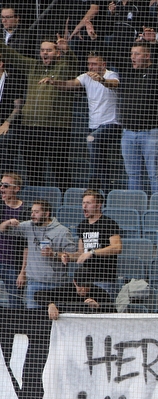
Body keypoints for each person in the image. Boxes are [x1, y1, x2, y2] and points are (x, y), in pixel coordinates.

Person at [0, 35, 78, 190]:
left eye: (49, 50)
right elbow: (12, 55)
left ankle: (64, 201)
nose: (45, 53)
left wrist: (67, 51)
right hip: (30, 127)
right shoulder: (33, 66)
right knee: (33, 169)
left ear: (57, 52)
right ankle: (37, 205)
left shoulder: (64, 67)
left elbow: (75, 64)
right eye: (42, 50)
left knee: (60, 168)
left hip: (56, 128)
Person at [38, 51, 121, 191]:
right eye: (89, 64)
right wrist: (53, 81)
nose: (91, 67)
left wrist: (102, 80)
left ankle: (97, 183)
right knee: (98, 155)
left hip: (111, 124)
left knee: (93, 140)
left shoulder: (110, 74)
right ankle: (100, 184)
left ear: (103, 64)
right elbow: (69, 84)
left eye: (94, 64)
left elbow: (114, 84)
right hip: (93, 124)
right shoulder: (86, 76)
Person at [0, 199, 76, 309]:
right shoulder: (28, 226)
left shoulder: (62, 231)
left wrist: (54, 254)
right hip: (34, 283)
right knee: (33, 320)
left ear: (46, 213)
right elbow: (2, 230)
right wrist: (8, 222)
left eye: (36, 212)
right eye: (32, 212)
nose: (32, 215)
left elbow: (73, 255)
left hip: (56, 284)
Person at [118, 43, 158, 194]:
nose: (132, 57)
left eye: (137, 54)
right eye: (132, 53)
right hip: (128, 134)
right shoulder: (128, 73)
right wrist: (95, 39)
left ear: (147, 56)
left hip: (151, 133)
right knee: (133, 175)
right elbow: (112, 54)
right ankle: (136, 209)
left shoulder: (156, 73)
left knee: (155, 174)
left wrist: (154, 44)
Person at [61, 190, 122, 293]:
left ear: (98, 206)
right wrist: (68, 256)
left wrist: (92, 252)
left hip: (104, 279)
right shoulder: (82, 225)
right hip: (86, 280)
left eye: (88, 203)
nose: (84, 206)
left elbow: (117, 247)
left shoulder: (109, 223)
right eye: (83, 203)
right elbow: (81, 253)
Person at [35, 265, 113, 320]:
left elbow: (113, 312)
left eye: (86, 286)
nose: (83, 289)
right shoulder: (67, 289)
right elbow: (38, 294)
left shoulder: (99, 292)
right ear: (74, 282)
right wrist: (50, 304)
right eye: (80, 285)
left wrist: (98, 307)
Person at [0, 171, 25, 304]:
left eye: (5, 186)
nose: (1, 189)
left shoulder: (25, 210)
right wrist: (8, 222)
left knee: (15, 301)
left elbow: (27, 244)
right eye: (1, 185)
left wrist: (23, 271)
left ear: (16, 189)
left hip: (14, 263)